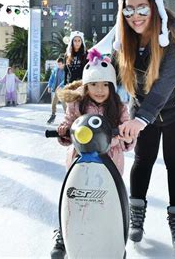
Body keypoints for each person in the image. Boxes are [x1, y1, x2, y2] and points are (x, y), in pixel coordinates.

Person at [113, 0, 175, 253]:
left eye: (141, 8)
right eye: (128, 10)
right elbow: (110, 72)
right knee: (143, 159)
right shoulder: (126, 37)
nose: (135, 16)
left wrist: (140, 120)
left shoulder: (173, 34)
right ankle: (136, 215)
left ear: (154, 4)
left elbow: (164, 84)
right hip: (143, 109)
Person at [50, 48, 135, 258]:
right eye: (94, 84)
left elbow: (127, 132)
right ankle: (64, 230)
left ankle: (111, 233)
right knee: (75, 197)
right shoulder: (77, 104)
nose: (99, 89)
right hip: (79, 162)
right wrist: (64, 131)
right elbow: (69, 125)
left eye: (105, 85)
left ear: (112, 86)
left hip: (110, 162)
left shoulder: (119, 107)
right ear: (86, 85)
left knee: (107, 199)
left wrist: (123, 136)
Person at [46, 57, 66, 124]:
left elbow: (66, 80)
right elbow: (51, 78)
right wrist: (49, 86)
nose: (59, 66)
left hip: (63, 90)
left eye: (60, 64)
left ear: (63, 64)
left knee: (64, 104)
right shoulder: (55, 70)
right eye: (58, 64)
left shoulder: (66, 70)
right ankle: (53, 116)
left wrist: (60, 86)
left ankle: (67, 117)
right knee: (53, 103)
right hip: (56, 90)